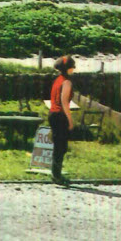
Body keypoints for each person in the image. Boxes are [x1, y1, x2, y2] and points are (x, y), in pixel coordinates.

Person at [48, 55, 76, 185]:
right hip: (60, 115)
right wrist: (70, 120)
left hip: (53, 113)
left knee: (58, 145)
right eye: (72, 66)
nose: (74, 69)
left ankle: (55, 173)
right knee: (61, 147)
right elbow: (65, 102)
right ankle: (56, 175)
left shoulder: (57, 80)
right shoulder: (67, 82)